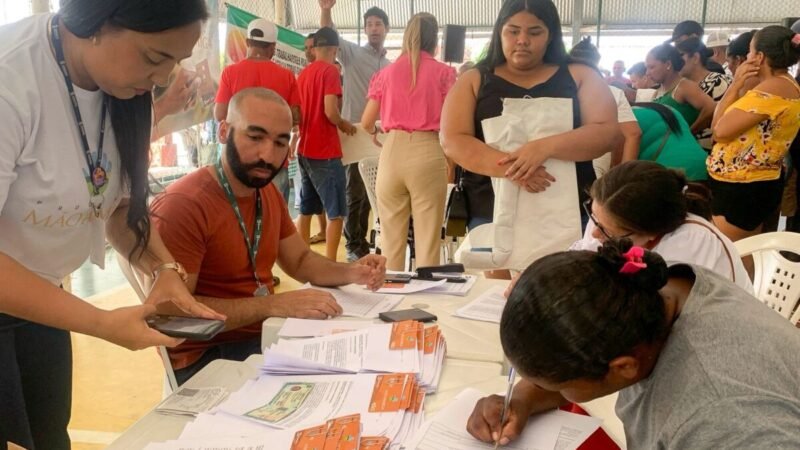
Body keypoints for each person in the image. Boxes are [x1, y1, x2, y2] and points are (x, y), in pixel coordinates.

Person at [0, 1, 225, 448]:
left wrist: (163, 270)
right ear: (98, 21)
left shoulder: (121, 91)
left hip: (39, 299)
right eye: (154, 58)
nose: (162, 80)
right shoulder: (12, 80)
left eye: (176, 62)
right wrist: (102, 323)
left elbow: (119, 208)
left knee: (47, 438)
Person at [151, 88, 386, 384]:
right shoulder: (185, 204)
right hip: (207, 357)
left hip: (265, 335)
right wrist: (272, 305)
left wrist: (353, 272)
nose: (268, 155)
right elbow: (173, 313)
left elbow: (300, 261)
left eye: (280, 142)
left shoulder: (267, 193)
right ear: (224, 131)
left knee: (367, 356)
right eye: (255, 137)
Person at [468, 239, 800, 448]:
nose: (532, 386)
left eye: (554, 384)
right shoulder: (640, 285)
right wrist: (523, 398)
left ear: (624, 366)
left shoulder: (727, 419)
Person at [440, 0, 621, 238]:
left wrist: (544, 147)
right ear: (500, 33)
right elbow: (453, 140)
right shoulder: (473, 79)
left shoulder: (580, 75)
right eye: (513, 31)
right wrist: (515, 169)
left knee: (569, 274)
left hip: (570, 206)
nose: (522, 40)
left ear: (551, 35)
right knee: (498, 275)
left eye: (534, 32)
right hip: (490, 207)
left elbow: (607, 132)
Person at [360, 13, 456, 271]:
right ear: (434, 38)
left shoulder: (386, 73)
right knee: (428, 240)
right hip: (427, 150)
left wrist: (380, 131)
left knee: (390, 243)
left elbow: (367, 122)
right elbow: (452, 124)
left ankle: (391, 300)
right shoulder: (444, 73)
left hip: (391, 153)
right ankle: (428, 303)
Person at [571, 161, 749, 290]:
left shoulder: (691, 242)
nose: (594, 233)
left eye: (607, 231)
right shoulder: (605, 219)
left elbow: (661, 315)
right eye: (593, 217)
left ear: (651, 233)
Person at [707, 25, 800, 241]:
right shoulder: (782, 84)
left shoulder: (772, 88)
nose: (746, 57)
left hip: (743, 186)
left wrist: (736, 83)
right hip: (752, 182)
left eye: (750, 51)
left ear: (759, 57)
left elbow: (718, 130)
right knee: (745, 253)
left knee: (734, 255)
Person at [320, 0, 391, 262]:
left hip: (383, 133)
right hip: (354, 131)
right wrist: (326, 10)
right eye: (369, 25)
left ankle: (375, 241)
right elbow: (329, 34)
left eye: (378, 24)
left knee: (381, 188)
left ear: (386, 29)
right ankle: (354, 245)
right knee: (356, 191)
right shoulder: (351, 54)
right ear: (365, 29)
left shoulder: (392, 65)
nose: (374, 29)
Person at [213, 18, 300, 206]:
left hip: (238, 157)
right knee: (275, 214)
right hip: (274, 160)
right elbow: (295, 117)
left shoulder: (230, 73)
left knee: (236, 212)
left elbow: (219, 113)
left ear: (247, 43)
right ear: (273, 48)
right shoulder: (286, 76)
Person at [296, 27, 356, 261]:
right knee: (336, 213)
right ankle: (331, 263)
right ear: (334, 49)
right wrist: (344, 124)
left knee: (306, 209)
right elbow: (330, 111)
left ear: (315, 47)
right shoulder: (330, 71)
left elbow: (299, 113)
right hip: (325, 152)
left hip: (305, 150)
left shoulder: (304, 73)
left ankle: (303, 260)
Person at [568, 38, 641, 172]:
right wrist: (623, 176)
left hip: (559, 166)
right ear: (596, 62)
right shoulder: (612, 92)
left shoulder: (557, 92)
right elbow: (634, 133)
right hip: (596, 166)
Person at [298, 32, 328, 246]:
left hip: (323, 147)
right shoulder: (304, 75)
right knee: (316, 200)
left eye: (312, 47)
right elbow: (299, 113)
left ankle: (322, 236)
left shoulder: (330, 72)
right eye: (306, 47)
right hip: (311, 147)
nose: (309, 51)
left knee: (316, 200)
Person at [646, 43, 715, 136]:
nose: (647, 73)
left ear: (668, 64)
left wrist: (689, 133)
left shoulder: (684, 86)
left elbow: (711, 107)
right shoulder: (657, 93)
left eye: (651, 67)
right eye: (647, 68)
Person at [675, 37, 731, 150]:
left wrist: (688, 133)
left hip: (713, 151)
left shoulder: (719, 82)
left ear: (695, 57)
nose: (675, 62)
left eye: (680, 56)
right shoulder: (680, 86)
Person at [630, 103, 709, 180]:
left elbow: (623, 170)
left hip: (672, 174)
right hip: (704, 163)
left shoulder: (627, 119)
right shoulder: (660, 106)